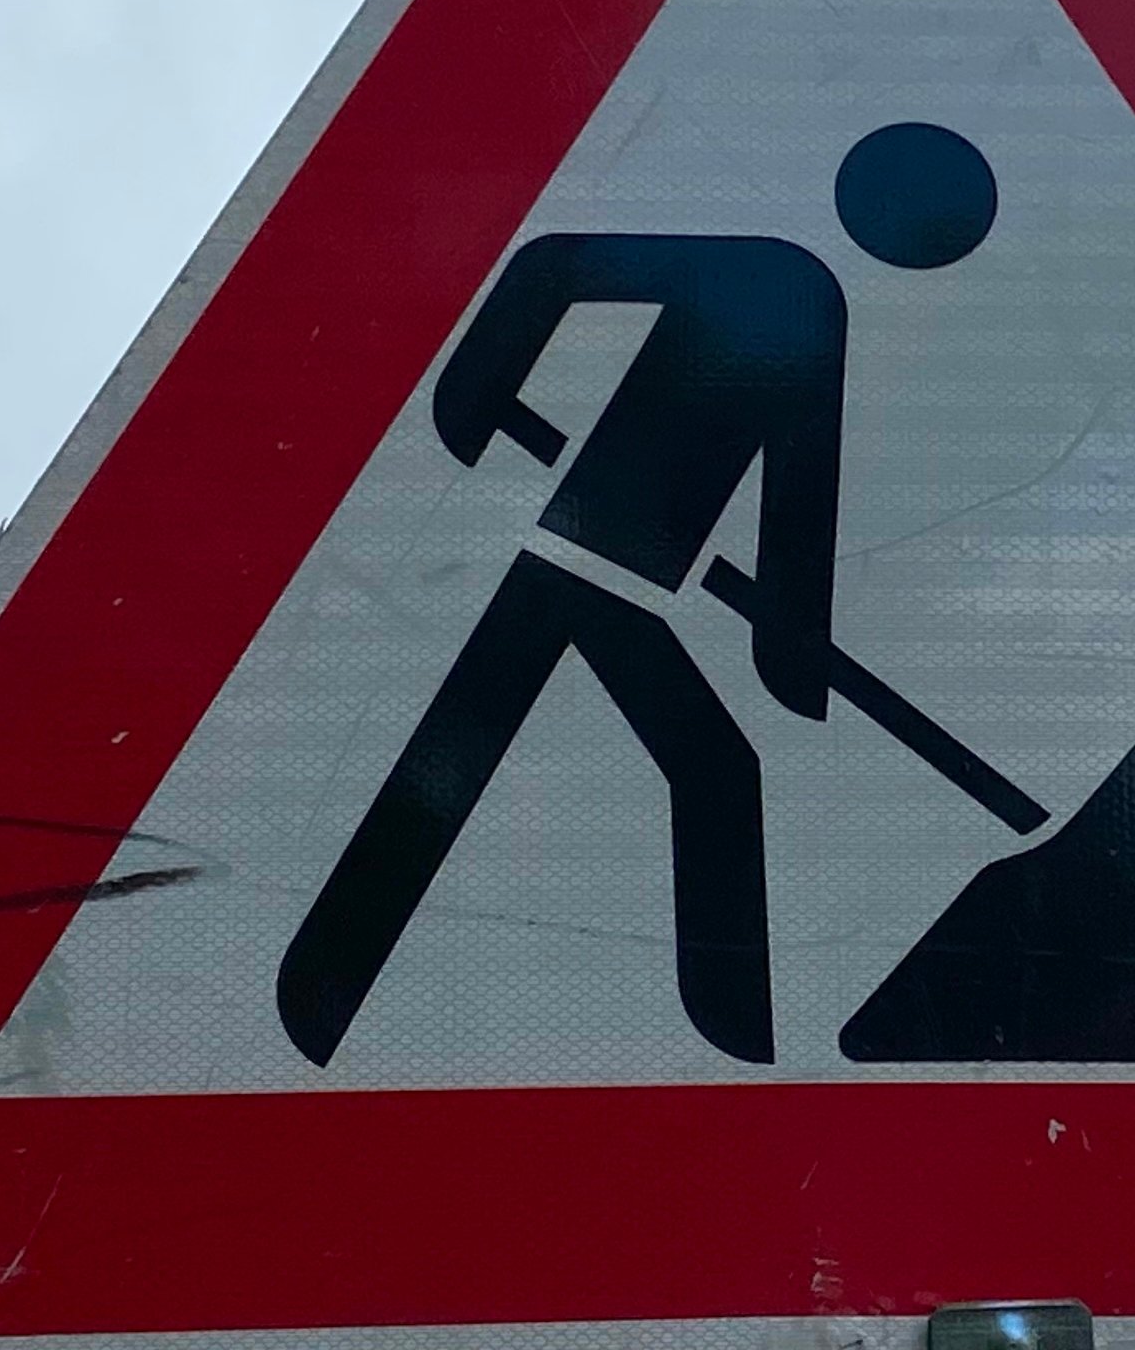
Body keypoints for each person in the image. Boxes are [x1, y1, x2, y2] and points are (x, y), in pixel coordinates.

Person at [278, 122, 999, 1065]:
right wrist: (473, 397)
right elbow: (554, 266)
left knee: (603, 762)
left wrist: (789, 645)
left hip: (616, 587)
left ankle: (323, 990)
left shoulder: (807, 299)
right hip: (576, 567)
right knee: (626, 767)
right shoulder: (786, 286)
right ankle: (733, 1040)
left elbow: (796, 501)